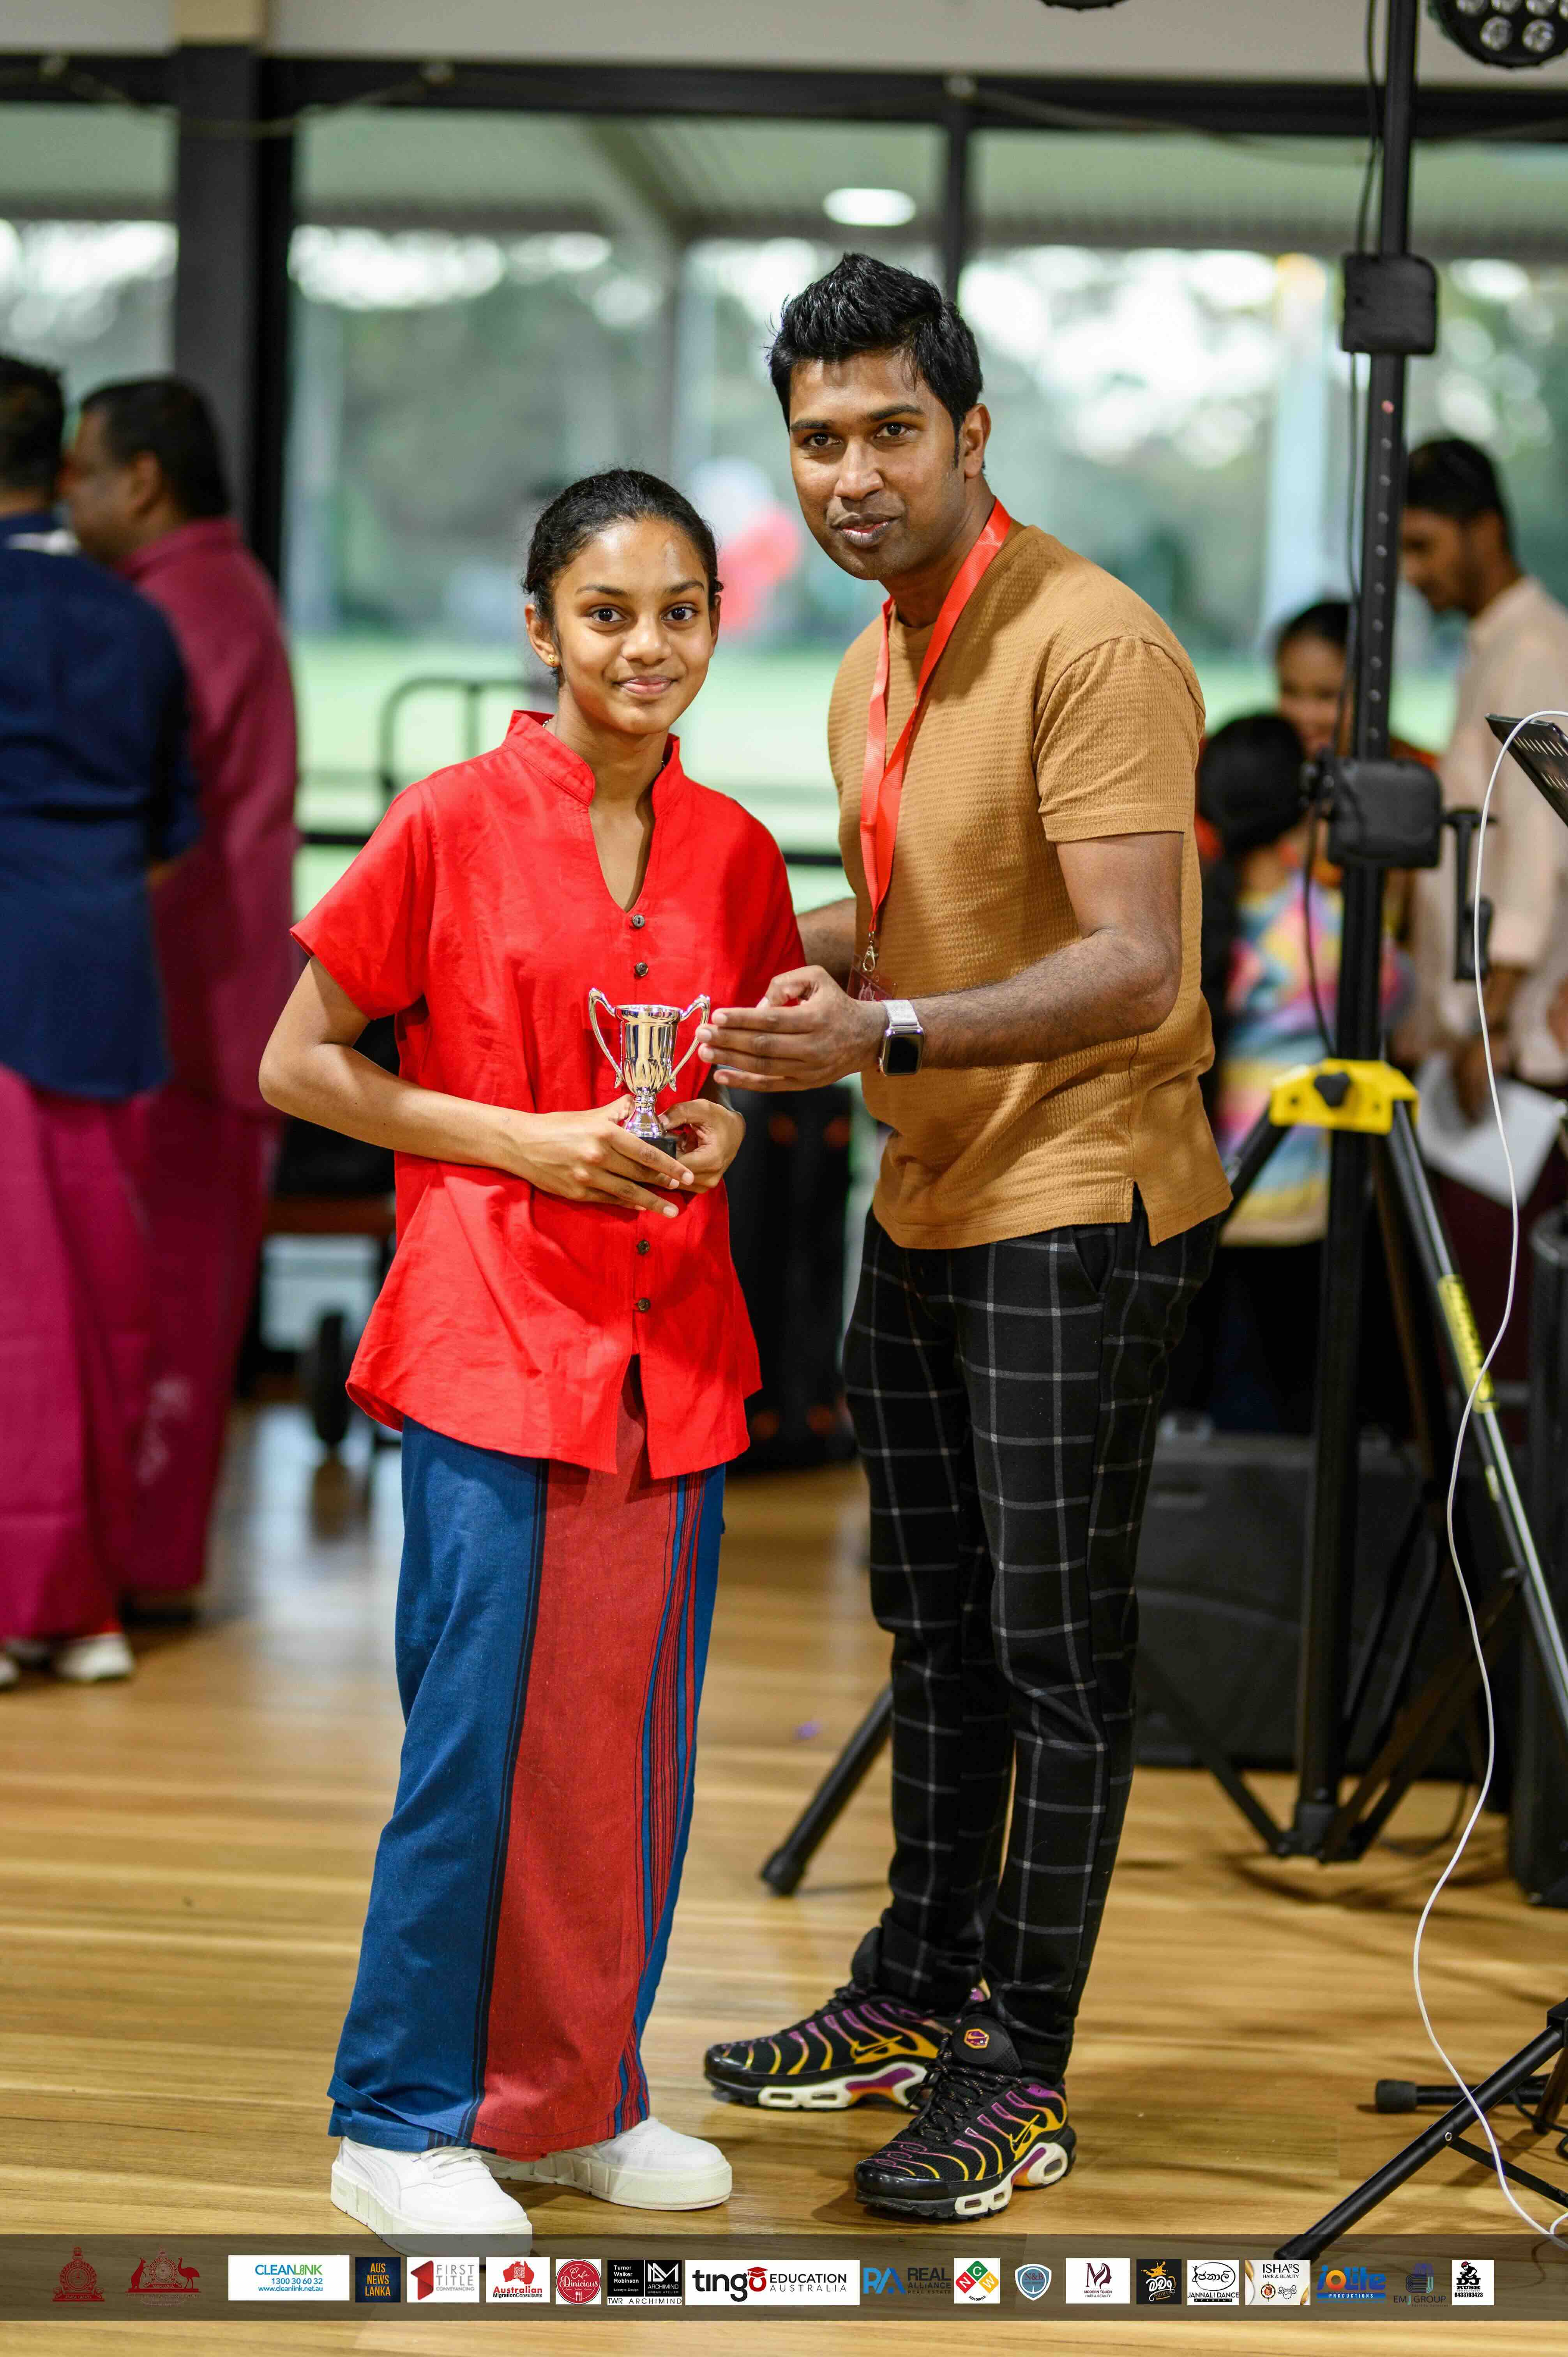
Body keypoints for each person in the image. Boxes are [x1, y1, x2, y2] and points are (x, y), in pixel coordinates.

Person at [697, 254, 1230, 2221]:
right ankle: (916, 1992)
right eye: (817, 439)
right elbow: (924, 922)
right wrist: (762, 963)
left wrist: (885, 1028)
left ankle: (1022, 2066)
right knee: (928, 1630)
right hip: (927, 1188)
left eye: (890, 433)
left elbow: (1131, 960)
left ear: (971, 431)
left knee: (1052, 1653)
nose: (851, 474)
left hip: (1076, 1192)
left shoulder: (1092, 642)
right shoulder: (873, 657)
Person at [260, 469, 803, 2242]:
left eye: (679, 612)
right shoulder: (448, 820)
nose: (647, 646)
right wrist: (521, 1140)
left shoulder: (734, 850)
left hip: (673, 1352)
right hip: (493, 1335)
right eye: (607, 613)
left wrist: (717, 1124)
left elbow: (723, 1073)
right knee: (475, 1744)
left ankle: (572, 2100)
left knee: (622, 1755)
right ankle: (397, 2117)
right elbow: (297, 1062)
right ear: (540, 627)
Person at [64, 379, 298, 1615]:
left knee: (158, 1319)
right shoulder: (223, 591)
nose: (66, 499)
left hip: (187, 1023)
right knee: (172, 1316)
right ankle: (136, 1568)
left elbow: (132, 810)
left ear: (141, 481)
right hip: (213, 1014)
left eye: (80, 474)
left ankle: (133, 1573)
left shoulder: (179, 607)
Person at [0, 356, 200, 1686]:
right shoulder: (137, 621)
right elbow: (173, 832)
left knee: (17, 1308)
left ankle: (22, 1603)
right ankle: (83, 1605)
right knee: (99, 1301)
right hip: (109, 975)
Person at [1400, 436, 1568, 1374]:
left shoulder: (1534, 650)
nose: (1411, 573)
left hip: (1515, 1049)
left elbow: (1539, 848)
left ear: (1486, 532)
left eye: (1424, 546)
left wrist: (1491, 1022)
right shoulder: (1489, 650)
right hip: (1476, 1036)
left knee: (1501, 1348)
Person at [1192, 713, 1405, 1433]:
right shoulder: (1329, 925)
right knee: (1302, 1395)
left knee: (1232, 1393)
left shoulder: (1193, 917)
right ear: (1304, 806)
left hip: (1218, 1191)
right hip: (1309, 1201)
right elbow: (1394, 998)